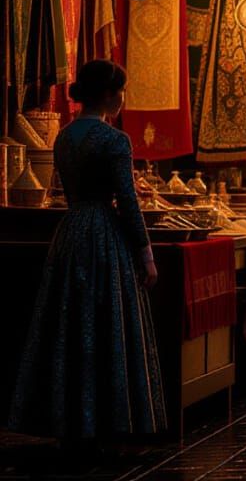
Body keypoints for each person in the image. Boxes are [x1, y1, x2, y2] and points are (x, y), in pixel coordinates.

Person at [8, 60, 166, 445]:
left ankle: (70, 415)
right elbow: (127, 203)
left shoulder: (64, 136)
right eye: (121, 91)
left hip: (70, 231)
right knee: (105, 323)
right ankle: (110, 418)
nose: (123, 98)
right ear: (110, 95)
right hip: (103, 237)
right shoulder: (115, 141)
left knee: (68, 323)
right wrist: (146, 254)